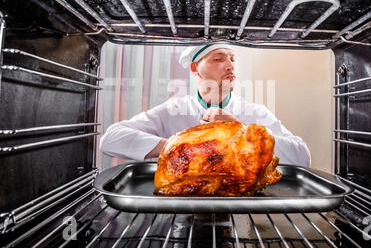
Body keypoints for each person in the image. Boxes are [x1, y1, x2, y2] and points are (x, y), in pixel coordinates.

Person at [100, 44, 311, 166]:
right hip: (180, 207)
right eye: (218, 59)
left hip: (240, 208)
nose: (230, 65)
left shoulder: (255, 113)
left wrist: (242, 133)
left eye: (232, 59)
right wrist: (183, 146)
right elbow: (111, 139)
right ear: (195, 68)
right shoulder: (173, 110)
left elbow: (302, 157)